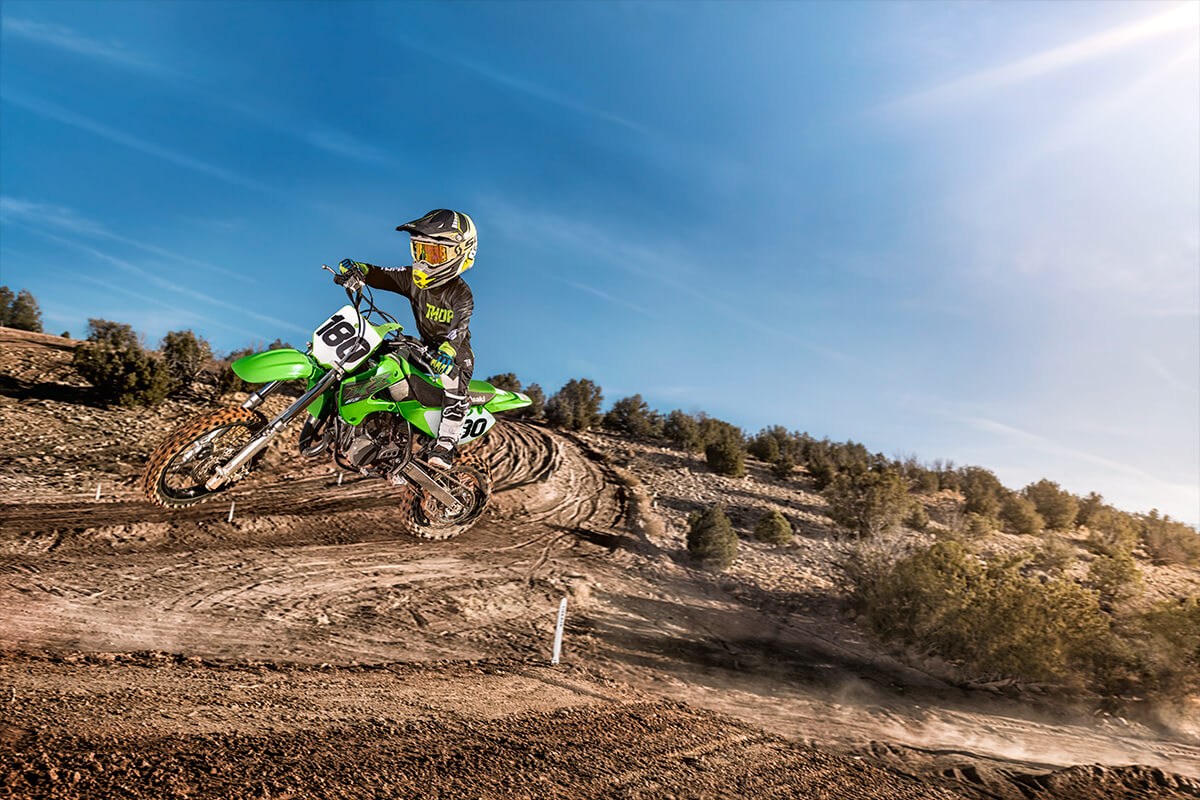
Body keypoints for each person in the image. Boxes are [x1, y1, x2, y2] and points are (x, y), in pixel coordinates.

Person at [335, 209, 477, 470]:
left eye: (434, 254)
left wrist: (447, 352)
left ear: (460, 253)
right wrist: (359, 270)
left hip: (455, 354)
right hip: (425, 347)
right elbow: (381, 274)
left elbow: (459, 328)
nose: (423, 260)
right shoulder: (412, 278)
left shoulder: (461, 293)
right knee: (385, 356)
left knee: (453, 383)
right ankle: (380, 423)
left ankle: (445, 445)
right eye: (419, 251)